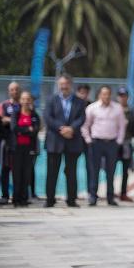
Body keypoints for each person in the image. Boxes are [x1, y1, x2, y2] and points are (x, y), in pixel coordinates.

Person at [44, 74, 87, 208]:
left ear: (70, 85)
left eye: (66, 84)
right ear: (58, 85)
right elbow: (47, 117)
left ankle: (71, 200)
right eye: (61, 84)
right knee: (52, 172)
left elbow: (81, 118)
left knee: (71, 172)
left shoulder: (80, 102)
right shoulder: (51, 100)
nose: (64, 86)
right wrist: (61, 128)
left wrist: (71, 129)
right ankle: (50, 200)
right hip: (55, 141)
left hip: (72, 141)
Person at [81, 86, 127, 206]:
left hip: (112, 144)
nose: (106, 96)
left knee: (111, 171)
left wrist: (119, 141)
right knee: (94, 170)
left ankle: (110, 197)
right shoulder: (92, 108)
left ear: (110, 95)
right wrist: (88, 140)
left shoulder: (117, 108)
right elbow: (85, 126)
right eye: (103, 94)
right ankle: (93, 196)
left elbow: (122, 126)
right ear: (99, 95)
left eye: (108, 94)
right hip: (96, 143)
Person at [10, 91, 40, 207]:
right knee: (17, 174)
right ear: (20, 100)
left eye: (28, 99)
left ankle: (24, 199)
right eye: (23, 99)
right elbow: (14, 128)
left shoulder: (34, 115)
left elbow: (36, 129)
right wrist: (28, 129)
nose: (26, 101)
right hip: (17, 148)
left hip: (29, 148)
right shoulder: (16, 114)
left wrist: (23, 130)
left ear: (31, 101)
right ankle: (16, 199)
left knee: (26, 174)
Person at [0, 81, 21, 204]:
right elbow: (1, 119)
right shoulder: (4, 105)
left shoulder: (23, 105)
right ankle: (5, 195)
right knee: (5, 169)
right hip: (6, 142)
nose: (15, 92)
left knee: (18, 169)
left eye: (16, 89)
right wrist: (14, 121)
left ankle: (17, 196)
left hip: (20, 143)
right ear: (9, 91)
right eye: (12, 89)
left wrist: (10, 120)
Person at [116, 87, 134, 202]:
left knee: (125, 170)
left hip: (126, 143)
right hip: (114, 143)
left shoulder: (131, 112)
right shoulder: (113, 109)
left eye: (124, 96)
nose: (123, 98)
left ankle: (123, 193)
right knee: (110, 169)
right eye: (121, 95)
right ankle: (110, 192)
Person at [76, 84, 94, 199]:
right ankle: (72, 191)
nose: (83, 95)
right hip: (75, 139)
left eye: (85, 92)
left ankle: (90, 191)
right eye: (81, 92)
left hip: (88, 140)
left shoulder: (92, 105)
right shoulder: (74, 104)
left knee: (90, 166)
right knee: (71, 167)